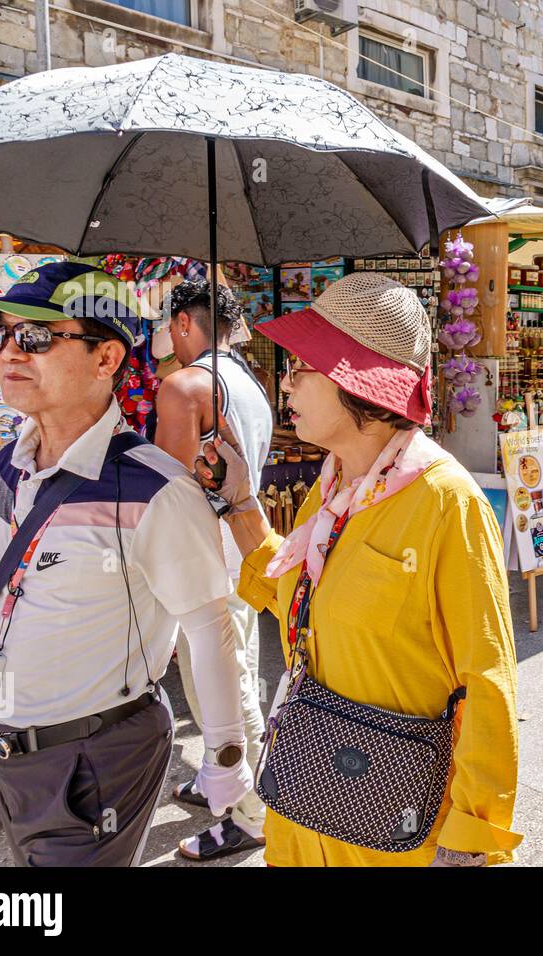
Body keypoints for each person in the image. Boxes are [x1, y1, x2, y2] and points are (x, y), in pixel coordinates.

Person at [0, 263, 251, 866]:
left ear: (107, 359)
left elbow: (208, 626)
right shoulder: (3, 468)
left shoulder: (156, 490)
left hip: (95, 762)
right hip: (4, 756)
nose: (8, 354)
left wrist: (225, 757)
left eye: (36, 338)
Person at [198, 272, 522, 867]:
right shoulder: (333, 488)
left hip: (394, 829)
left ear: (356, 382)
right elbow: (297, 598)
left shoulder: (447, 503)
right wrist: (240, 501)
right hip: (306, 796)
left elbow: (487, 678)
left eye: (301, 368)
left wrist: (470, 842)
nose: (285, 383)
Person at [151, 280, 273, 861]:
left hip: (199, 565)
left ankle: (252, 815)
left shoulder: (183, 386)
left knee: (221, 688)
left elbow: (163, 492)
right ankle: (219, 779)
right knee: (237, 671)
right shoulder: (250, 382)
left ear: (182, 324)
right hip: (241, 553)